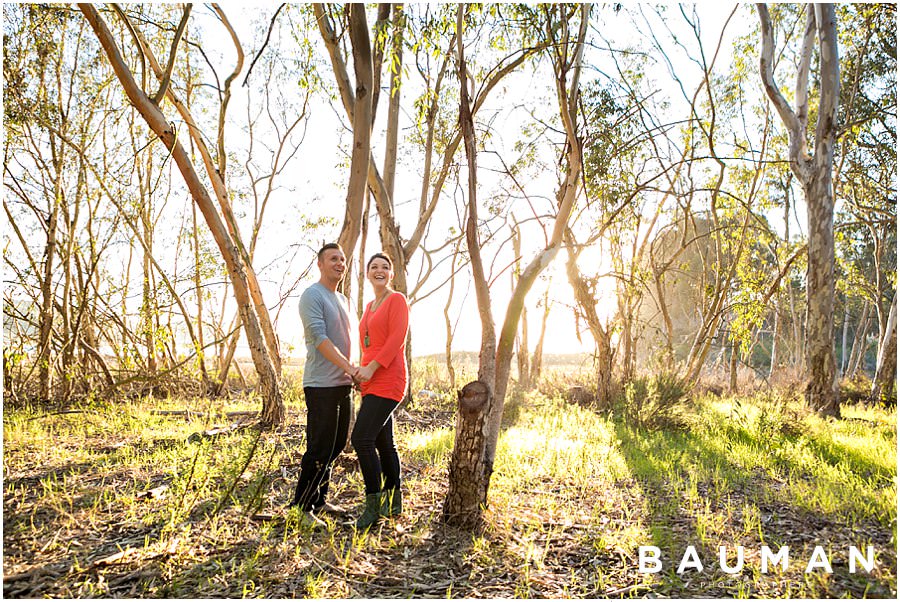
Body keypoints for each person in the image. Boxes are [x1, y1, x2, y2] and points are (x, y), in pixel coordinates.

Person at [288, 243, 358, 529]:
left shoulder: (344, 300)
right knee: (319, 447)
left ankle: (319, 500)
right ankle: (301, 507)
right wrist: (350, 368)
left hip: (344, 383)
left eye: (342, 259)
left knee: (337, 444)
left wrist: (358, 373)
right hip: (321, 385)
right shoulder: (312, 295)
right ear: (320, 264)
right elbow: (319, 339)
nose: (339, 263)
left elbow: (351, 342)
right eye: (333, 259)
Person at [351, 252, 410, 529]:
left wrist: (372, 368)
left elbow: (397, 339)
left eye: (385, 267)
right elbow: (367, 343)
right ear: (367, 273)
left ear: (391, 274)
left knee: (361, 439)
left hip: (389, 376)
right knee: (384, 442)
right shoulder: (370, 306)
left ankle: (372, 507)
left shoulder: (397, 300)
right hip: (370, 379)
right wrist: (359, 370)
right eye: (374, 267)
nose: (379, 270)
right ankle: (393, 504)